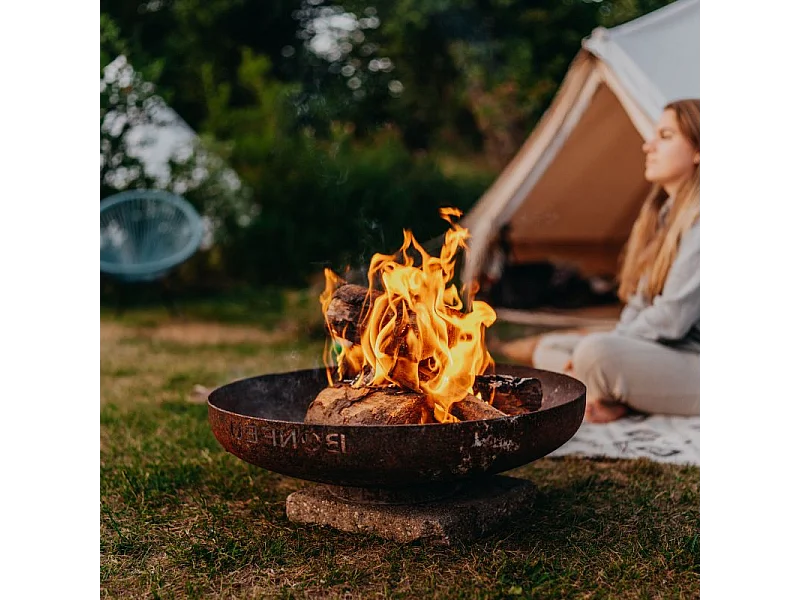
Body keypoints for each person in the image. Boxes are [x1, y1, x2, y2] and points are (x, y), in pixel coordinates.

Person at [531, 98, 703, 423]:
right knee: (549, 348)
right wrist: (618, 340)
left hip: (698, 364)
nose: (647, 145)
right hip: (664, 354)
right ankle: (609, 394)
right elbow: (641, 304)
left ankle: (605, 392)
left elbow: (671, 319)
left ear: (699, 151)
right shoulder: (663, 217)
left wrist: (613, 344)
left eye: (665, 137)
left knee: (595, 354)